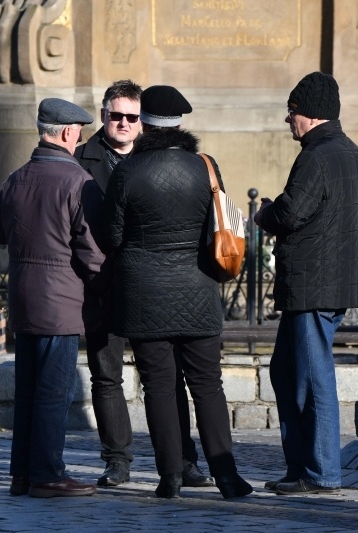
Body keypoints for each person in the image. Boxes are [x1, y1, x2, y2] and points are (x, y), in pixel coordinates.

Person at [103, 85, 252, 499]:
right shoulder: (204, 165)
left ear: (144, 123)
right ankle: (227, 476)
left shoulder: (127, 172)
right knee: (207, 384)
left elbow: (112, 237)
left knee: (159, 386)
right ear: (181, 124)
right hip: (197, 289)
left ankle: (169, 477)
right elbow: (218, 223)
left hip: (145, 293)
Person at [74, 79, 212, 488]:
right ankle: (117, 460)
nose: (123, 123)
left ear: (144, 121)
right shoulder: (82, 161)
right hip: (103, 284)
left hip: (156, 288)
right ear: (103, 115)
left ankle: (183, 461)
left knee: (170, 379)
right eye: (115, 115)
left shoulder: (167, 160)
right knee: (106, 375)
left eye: (132, 117)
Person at [254, 72, 358, 494]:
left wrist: (264, 213)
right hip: (325, 282)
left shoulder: (316, 157)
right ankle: (300, 466)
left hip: (313, 284)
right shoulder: (351, 152)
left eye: (292, 112)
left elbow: (290, 213)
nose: (288, 120)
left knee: (313, 374)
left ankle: (321, 471)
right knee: (286, 370)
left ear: (308, 114)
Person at [0, 98, 103, 498]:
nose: (81, 136)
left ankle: (23, 473)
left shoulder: (17, 177)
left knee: (28, 392)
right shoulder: (78, 182)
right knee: (54, 392)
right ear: (69, 133)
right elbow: (92, 251)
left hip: (23, 297)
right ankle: (49, 473)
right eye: (79, 131)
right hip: (60, 303)